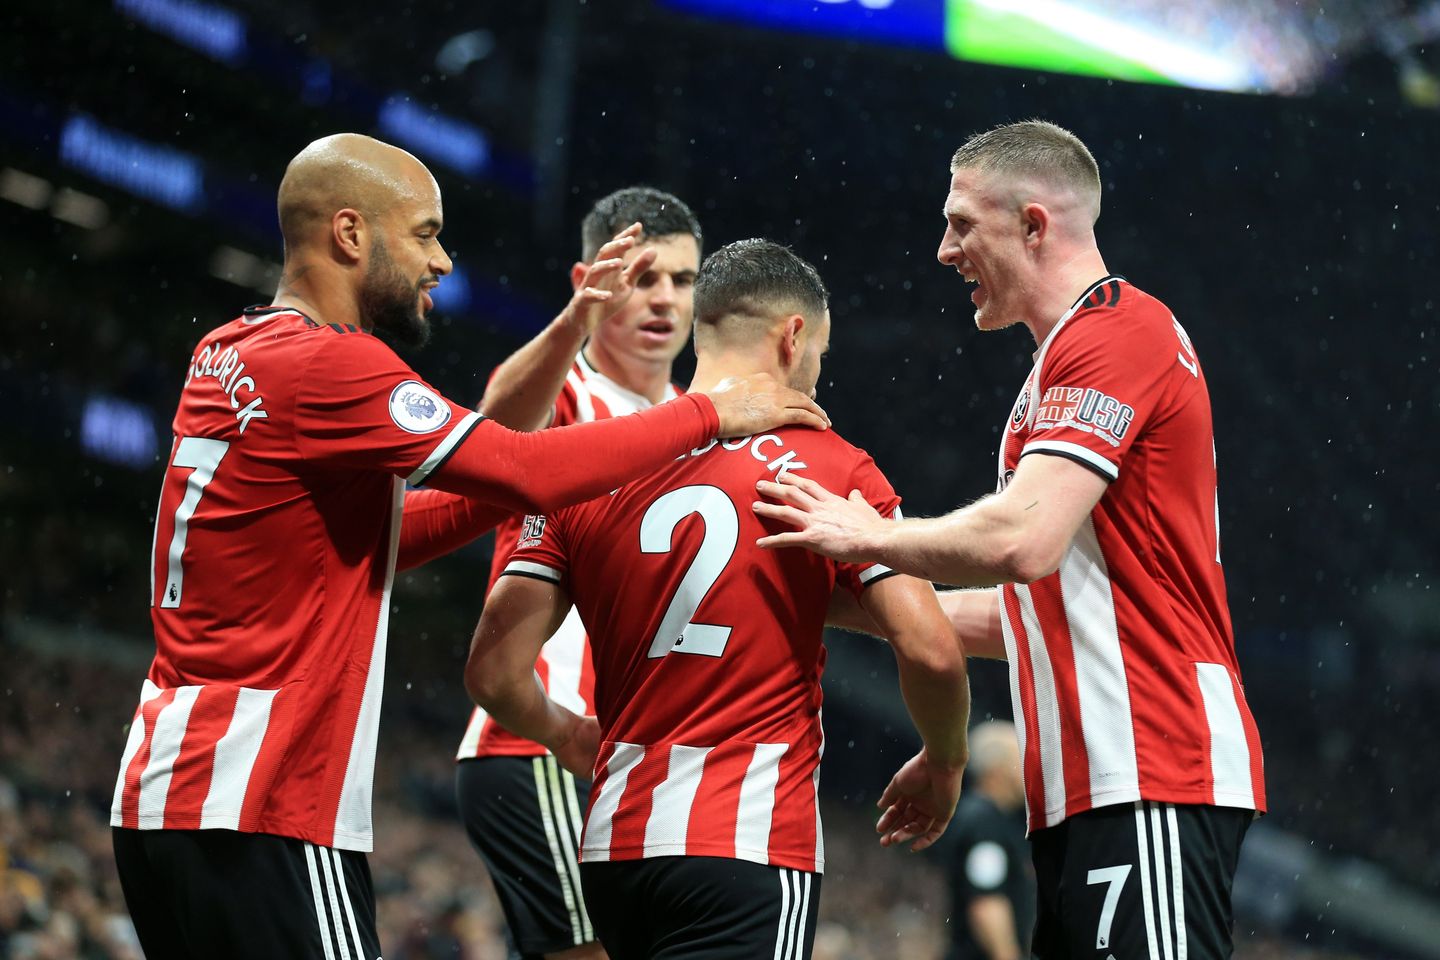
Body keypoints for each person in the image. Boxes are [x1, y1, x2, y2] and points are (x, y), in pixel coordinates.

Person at [107, 134, 827, 960]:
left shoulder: (228, 350)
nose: (442, 260)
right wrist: (711, 414)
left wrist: (521, 498)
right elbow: (518, 464)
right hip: (260, 797)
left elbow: (388, 537)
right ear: (350, 235)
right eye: (423, 233)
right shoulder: (332, 366)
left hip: (164, 791)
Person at [753, 120, 1266, 959]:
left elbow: (1022, 543)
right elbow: (1029, 611)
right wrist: (825, 606)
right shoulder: (1065, 360)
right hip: (1092, 790)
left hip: (1154, 767)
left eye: (962, 224)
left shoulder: (1118, 332)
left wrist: (868, 535)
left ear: (1034, 224)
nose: (943, 251)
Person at [464, 239, 972, 960]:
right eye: (821, 354)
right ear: (793, 338)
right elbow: (930, 649)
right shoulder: (830, 468)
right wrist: (944, 762)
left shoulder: (592, 464)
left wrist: (568, 732)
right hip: (749, 845)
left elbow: (493, 672)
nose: (818, 376)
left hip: (617, 852)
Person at [453, 186, 704, 960]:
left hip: (643, 762)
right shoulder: (564, 392)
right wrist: (572, 327)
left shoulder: (704, 418)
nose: (664, 298)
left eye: (684, 280)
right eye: (642, 276)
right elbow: (492, 436)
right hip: (543, 743)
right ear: (590, 282)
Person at [943, 721, 1033, 960]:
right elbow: (986, 901)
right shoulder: (984, 821)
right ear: (997, 768)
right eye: (1019, 759)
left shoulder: (996, 819)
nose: (1027, 769)